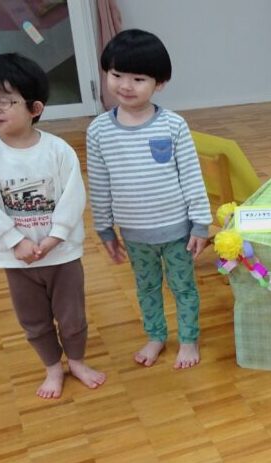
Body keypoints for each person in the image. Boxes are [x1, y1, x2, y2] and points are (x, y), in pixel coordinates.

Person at [0, 53, 106, 399]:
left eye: (4, 100)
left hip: (62, 256)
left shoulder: (58, 150)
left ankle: (77, 362)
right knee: (33, 319)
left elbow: (73, 196)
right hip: (17, 260)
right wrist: (15, 241)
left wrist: (56, 237)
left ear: (35, 107)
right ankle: (52, 368)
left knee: (72, 316)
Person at [86, 29, 212, 369]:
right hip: (134, 234)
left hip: (177, 232)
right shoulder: (98, 131)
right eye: (116, 75)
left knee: (183, 288)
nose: (125, 85)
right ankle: (156, 335)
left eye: (138, 78)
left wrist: (201, 224)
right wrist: (104, 229)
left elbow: (192, 177)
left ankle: (188, 339)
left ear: (160, 83)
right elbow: (99, 184)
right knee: (147, 289)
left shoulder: (173, 125)